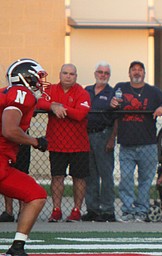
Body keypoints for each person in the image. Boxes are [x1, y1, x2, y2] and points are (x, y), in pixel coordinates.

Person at [109, 60, 162, 222]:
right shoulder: (121, 88)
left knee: (145, 181)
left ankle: (142, 211)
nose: (137, 72)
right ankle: (127, 210)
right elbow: (110, 104)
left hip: (148, 144)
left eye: (140, 70)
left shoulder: (152, 92)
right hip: (126, 144)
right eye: (134, 70)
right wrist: (111, 103)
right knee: (126, 178)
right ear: (129, 73)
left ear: (144, 73)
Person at [0, 58, 48, 256]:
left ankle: (18, 247)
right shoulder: (21, 93)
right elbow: (10, 130)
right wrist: (35, 141)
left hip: (3, 164)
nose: (40, 83)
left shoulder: (9, 93)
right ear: (25, 78)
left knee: (36, 195)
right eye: (37, 78)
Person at [37, 63, 91, 222]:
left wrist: (62, 108)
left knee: (79, 178)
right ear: (60, 74)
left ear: (76, 76)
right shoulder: (51, 90)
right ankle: (56, 210)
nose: (68, 76)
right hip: (56, 144)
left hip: (79, 145)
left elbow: (81, 114)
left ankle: (76, 210)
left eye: (72, 74)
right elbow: (38, 102)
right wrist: (52, 105)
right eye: (65, 73)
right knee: (57, 177)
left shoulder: (82, 92)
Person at [82, 61, 117, 222]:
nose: (102, 75)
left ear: (109, 76)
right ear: (95, 73)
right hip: (86, 135)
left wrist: (111, 139)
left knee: (106, 175)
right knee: (90, 175)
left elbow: (117, 119)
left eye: (106, 73)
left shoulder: (113, 92)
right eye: (100, 72)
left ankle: (108, 210)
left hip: (104, 135)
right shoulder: (86, 91)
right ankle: (92, 209)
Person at [0, 143, 31, 222]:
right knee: (6, 174)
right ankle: (8, 211)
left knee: (22, 174)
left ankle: (22, 211)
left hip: (21, 142)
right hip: (6, 144)